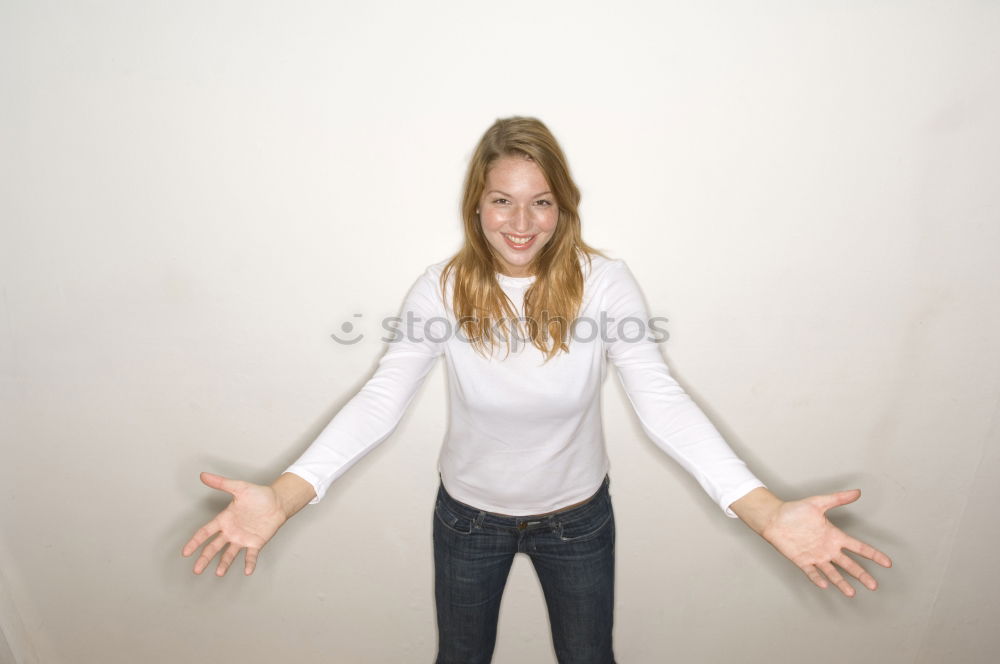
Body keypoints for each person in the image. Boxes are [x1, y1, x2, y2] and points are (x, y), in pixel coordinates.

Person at [182, 116, 892, 664]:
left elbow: (661, 400)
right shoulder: (442, 289)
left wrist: (764, 512)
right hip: (468, 521)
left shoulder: (605, 284)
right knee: (460, 657)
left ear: (563, 206)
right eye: (502, 201)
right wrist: (285, 493)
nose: (521, 224)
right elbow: (381, 398)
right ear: (477, 205)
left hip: (578, 520)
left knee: (590, 658)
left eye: (541, 202)